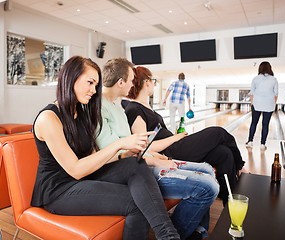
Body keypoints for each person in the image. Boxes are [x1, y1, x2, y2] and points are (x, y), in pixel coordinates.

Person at [30, 56, 180, 240]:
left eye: (96, 85)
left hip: (84, 178)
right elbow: (75, 169)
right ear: (71, 79)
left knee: (134, 163)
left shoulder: (81, 113)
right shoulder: (49, 118)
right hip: (59, 190)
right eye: (90, 83)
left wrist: (123, 155)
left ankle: (168, 235)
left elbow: (94, 157)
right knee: (137, 202)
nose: (94, 90)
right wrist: (119, 145)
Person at [96, 58, 219, 240]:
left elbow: (132, 144)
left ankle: (197, 229)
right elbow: (116, 153)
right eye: (131, 79)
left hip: (143, 161)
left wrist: (156, 155)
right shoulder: (99, 108)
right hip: (133, 171)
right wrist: (153, 159)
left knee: (208, 169)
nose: (133, 84)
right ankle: (178, 234)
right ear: (120, 82)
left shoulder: (117, 106)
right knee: (208, 187)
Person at [125, 66, 246, 206]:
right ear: (147, 82)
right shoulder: (134, 109)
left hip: (176, 146)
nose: (153, 84)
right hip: (169, 152)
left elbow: (157, 134)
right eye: (153, 81)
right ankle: (240, 166)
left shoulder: (146, 107)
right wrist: (176, 138)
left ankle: (230, 203)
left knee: (223, 154)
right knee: (218, 133)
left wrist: (175, 136)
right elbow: (147, 146)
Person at [245, 61, 278, 150]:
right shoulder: (274, 79)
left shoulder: (255, 79)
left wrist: (253, 104)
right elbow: (276, 94)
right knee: (265, 125)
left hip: (257, 104)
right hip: (269, 105)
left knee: (254, 123)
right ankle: (262, 144)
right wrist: (272, 104)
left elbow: (252, 93)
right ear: (269, 68)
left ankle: (250, 141)